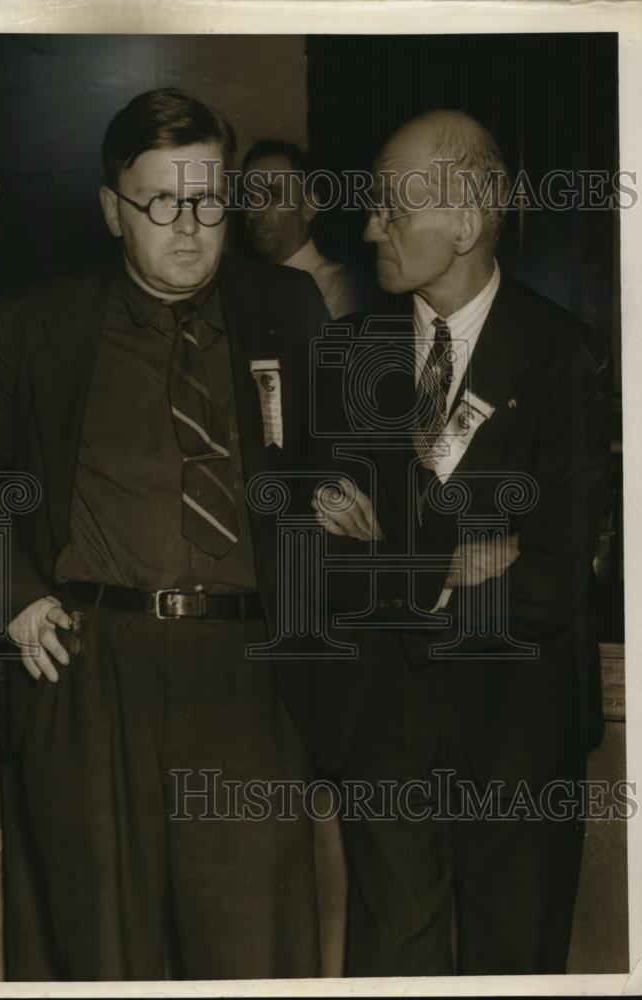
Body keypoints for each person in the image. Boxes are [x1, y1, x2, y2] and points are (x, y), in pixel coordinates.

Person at [0, 88, 328, 981]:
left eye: (209, 201)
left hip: (248, 678)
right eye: (161, 204)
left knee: (253, 954)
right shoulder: (37, 326)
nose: (188, 228)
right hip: (89, 667)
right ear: (113, 209)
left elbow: (336, 455)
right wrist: (15, 593)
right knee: (103, 957)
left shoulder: (288, 307)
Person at [312, 110, 612, 975]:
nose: (370, 228)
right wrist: (463, 563)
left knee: (514, 966)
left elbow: (555, 577)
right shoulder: (343, 356)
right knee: (388, 970)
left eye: (390, 209)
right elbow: (321, 559)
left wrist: (394, 563)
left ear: (467, 220)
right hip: (383, 731)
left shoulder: (569, 359)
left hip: (520, 730)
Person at [242, 139, 371, 319]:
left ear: (309, 207)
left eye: (272, 194)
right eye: (248, 197)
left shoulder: (342, 290)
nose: (251, 211)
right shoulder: (243, 289)